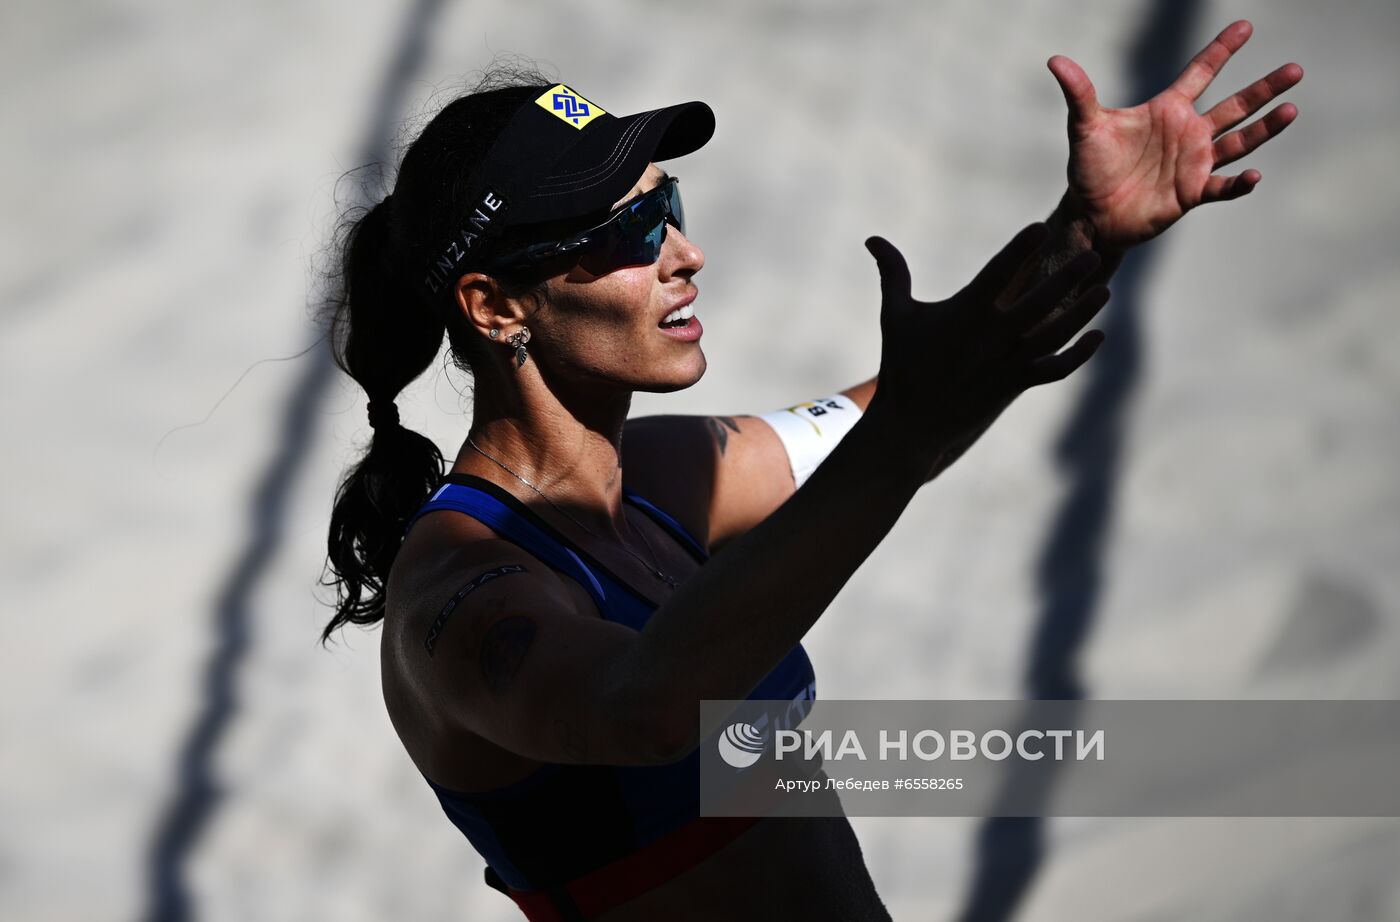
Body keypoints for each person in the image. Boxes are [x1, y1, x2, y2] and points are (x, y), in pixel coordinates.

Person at [319, 22, 1300, 921]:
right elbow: (645, 706)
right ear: (494, 307)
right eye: (628, 232)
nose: (685, 253)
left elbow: (925, 393)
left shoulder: (661, 475)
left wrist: (1085, 230)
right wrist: (903, 440)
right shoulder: (461, 594)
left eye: (668, 203)